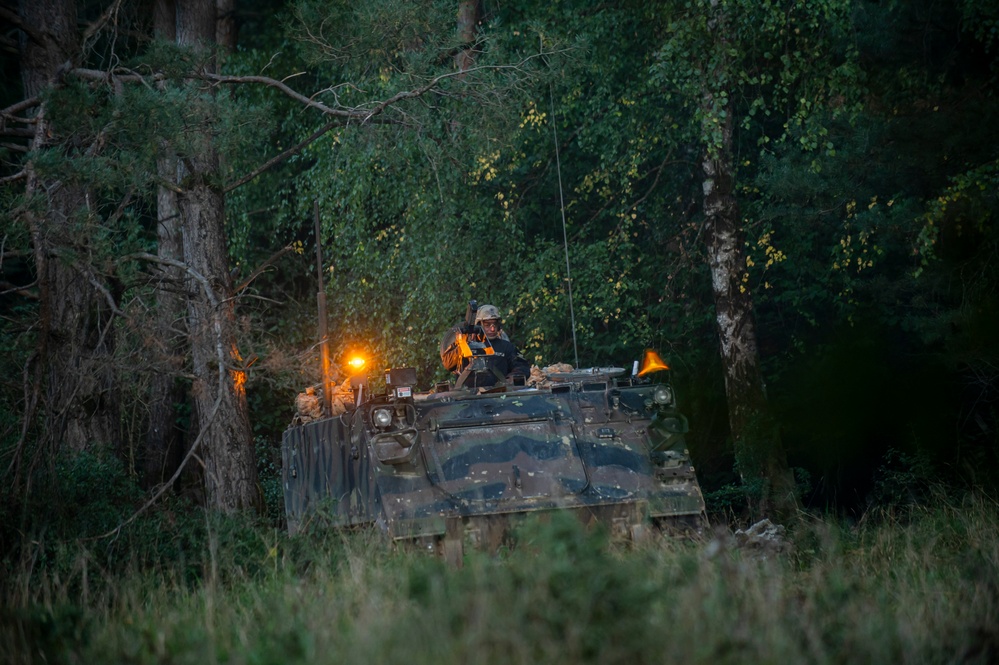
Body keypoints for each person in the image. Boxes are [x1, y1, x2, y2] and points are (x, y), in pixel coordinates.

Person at [440, 303, 531, 386]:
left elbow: (522, 367)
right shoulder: (463, 344)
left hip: (497, 395)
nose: (492, 329)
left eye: (495, 325)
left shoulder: (507, 347)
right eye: (487, 325)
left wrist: (509, 381)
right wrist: (463, 345)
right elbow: (448, 364)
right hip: (467, 397)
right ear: (478, 325)